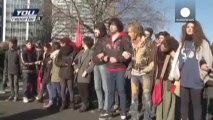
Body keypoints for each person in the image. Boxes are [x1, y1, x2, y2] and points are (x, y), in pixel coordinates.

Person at [178, 21, 213, 120]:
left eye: (192, 27)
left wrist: (203, 72)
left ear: (196, 29)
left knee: (196, 105)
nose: (189, 28)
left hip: (197, 80)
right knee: (184, 104)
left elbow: (209, 60)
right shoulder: (182, 43)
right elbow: (178, 59)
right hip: (184, 80)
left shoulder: (203, 43)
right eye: (187, 27)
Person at [100, 18, 132, 120]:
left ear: (118, 26)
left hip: (120, 69)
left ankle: (123, 112)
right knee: (110, 91)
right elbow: (107, 52)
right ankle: (109, 111)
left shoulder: (124, 38)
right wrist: (104, 56)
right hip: (109, 69)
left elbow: (129, 54)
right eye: (110, 25)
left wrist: (118, 59)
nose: (111, 27)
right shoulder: (108, 39)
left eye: (113, 25)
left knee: (121, 90)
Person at [127, 22, 153, 120]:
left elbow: (153, 58)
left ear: (136, 32)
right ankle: (134, 117)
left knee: (146, 97)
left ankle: (147, 117)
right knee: (134, 96)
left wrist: (147, 69)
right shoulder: (130, 42)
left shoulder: (148, 42)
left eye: (130, 31)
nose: (129, 33)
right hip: (134, 73)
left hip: (145, 74)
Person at [154, 31, 179, 120]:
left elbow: (178, 58)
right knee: (159, 99)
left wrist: (172, 52)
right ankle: (160, 118)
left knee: (170, 100)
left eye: (162, 38)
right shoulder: (157, 49)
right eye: (159, 38)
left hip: (170, 79)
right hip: (159, 78)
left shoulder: (172, 48)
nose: (160, 40)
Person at [55, 37, 76, 111]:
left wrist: (63, 64)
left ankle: (67, 103)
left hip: (65, 72)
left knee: (66, 89)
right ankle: (69, 103)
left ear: (65, 43)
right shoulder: (72, 50)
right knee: (67, 89)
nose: (61, 44)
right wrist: (65, 64)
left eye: (62, 43)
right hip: (67, 72)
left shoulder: (63, 51)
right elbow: (56, 61)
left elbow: (56, 62)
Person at [74, 36, 94, 112]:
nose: (81, 43)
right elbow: (75, 61)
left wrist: (87, 71)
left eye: (83, 41)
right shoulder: (81, 52)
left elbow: (92, 64)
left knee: (85, 90)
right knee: (80, 89)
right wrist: (76, 67)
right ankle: (87, 103)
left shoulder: (91, 52)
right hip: (79, 73)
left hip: (85, 74)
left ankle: (85, 105)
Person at [92, 22, 109, 114]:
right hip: (96, 65)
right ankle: (100, 105)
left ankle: (106, 106)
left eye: (97, 29)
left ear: (101, 29)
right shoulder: (98, 40)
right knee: (97, 87)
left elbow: (110, 49)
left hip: (103, 65)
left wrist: (104, 53)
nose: (95, 31)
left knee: (105, 87)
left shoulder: (107, 39)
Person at [43, 42, 61, 109]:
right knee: (52, 88)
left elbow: (55, 63)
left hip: (55, 72)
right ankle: (53, 102)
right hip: (51, 72)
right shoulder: (52, 55)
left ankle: (55, 102)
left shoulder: (56, 54)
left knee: (55, 88)